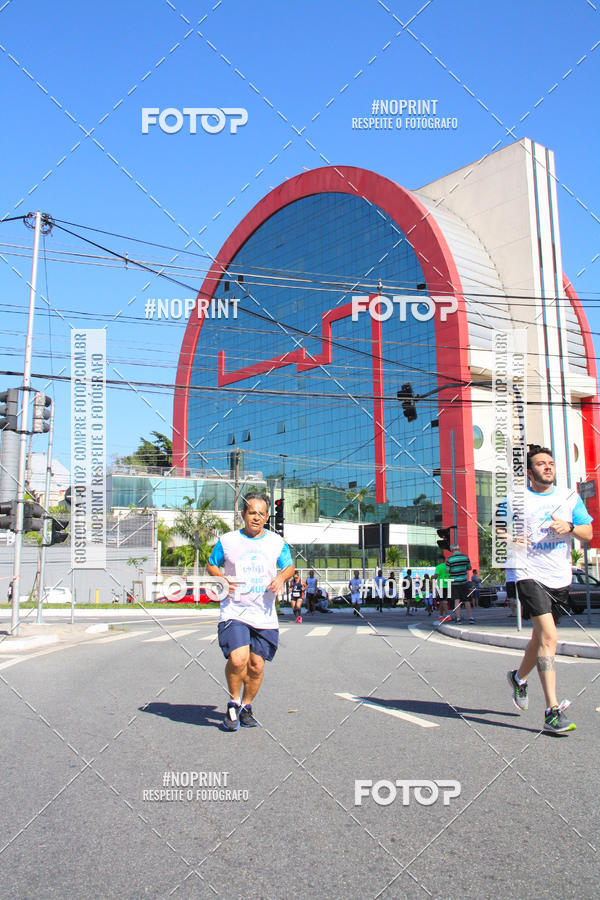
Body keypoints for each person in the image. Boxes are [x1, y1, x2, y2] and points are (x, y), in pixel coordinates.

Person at [502, 446, 593, 734]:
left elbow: (588, 532)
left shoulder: (568, 496)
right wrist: (511, 537)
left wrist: (569, 527)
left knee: (539, 639)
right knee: (550, 637)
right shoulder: (516, 498)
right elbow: (497, 528)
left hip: (559, 575)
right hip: (527, 572)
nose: (548, 467)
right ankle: (552, 712)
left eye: (551, 463)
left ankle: (518, 678)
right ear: (530, 472)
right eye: (541, 464)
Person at [207, 491, 295, 731]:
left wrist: (280, 578)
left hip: (264, 614)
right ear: (243, 514)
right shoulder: (228, 541)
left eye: (262, 513)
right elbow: (211, 564)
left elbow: (289, 567)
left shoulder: (276, 542)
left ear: (267, 517)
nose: (257, 517)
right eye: (252, 512)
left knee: (256, 665)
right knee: (238, 659)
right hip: (234, 610)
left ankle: (247, 707)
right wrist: (223, 578)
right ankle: (233, 703)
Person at [446, 546, 473, 623]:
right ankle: (471, 617)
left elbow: (447, 571)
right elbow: (469, 568)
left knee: (456, 600)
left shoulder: (450, 559)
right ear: (459, 549)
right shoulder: (465, 557)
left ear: (452, 550)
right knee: (467, 600)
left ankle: (458, 618)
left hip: (454, 583)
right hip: (464, 582)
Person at [433, 556, 450, 620]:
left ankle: (448, 615)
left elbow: (436, 576)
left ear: (440, 560)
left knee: (443, 601)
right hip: (448, 585)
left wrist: (432, 577)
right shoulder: (447, 567)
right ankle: (440, 616)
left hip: (441, 586)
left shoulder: (438, 567)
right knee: (441, 601)